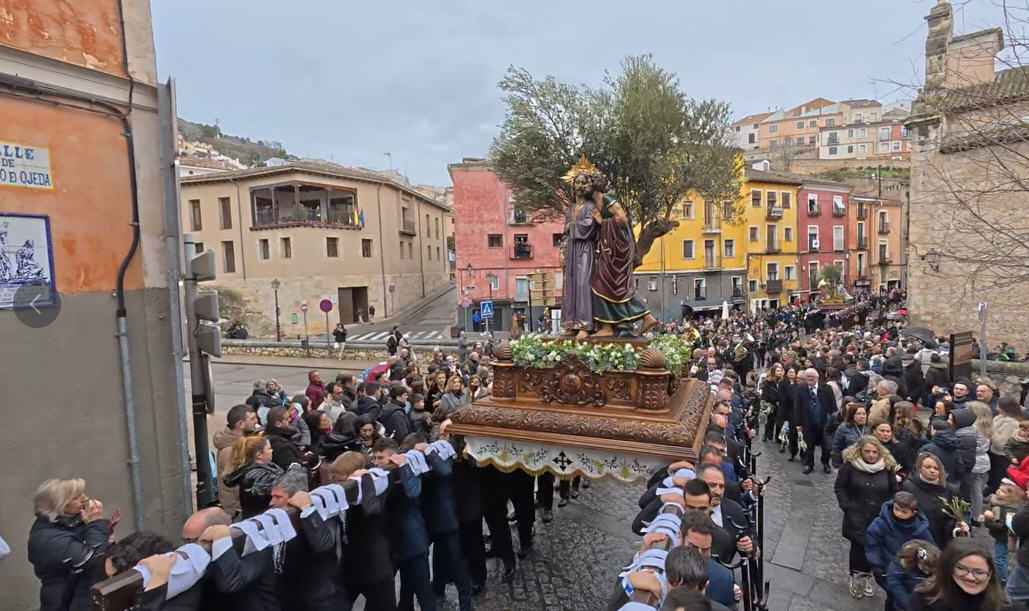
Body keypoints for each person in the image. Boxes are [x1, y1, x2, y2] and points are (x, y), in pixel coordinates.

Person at [267, 470, 350, 610]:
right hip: (294, 599)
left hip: (322, 599)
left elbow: (323, 543)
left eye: (278, 497)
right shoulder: (276, 520)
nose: (271, 503)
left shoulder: (320, 514)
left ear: (296, 497)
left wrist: (307, 508)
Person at [588, 174, 658, 337]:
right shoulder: (595, 203)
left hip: (619, 249)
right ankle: (643, 318)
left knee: (600, 284)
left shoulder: (608, 199)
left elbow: (622, 219)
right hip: (608, 249)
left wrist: (602, 222)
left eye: (587, 183)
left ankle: (608, 327)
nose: (585, 186)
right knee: (613, 287)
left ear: (595, 185)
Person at [27, 478, 110, 611]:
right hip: (66, 602)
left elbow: (100, 550)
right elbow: (93, 560)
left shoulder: (72, 521)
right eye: (76, 497)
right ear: (59, 504)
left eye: (83, 493)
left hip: (83, 596)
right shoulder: (48, 538)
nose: (85, 499)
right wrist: (96, 524)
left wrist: (106, 538)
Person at [372, 438, 435, 611]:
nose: (376, 463)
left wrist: (404, 466)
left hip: (413, 544)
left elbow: (414, 492)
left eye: (380, 458)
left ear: (393, 457)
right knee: (405, 592)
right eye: (374, 458)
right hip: (394, 545)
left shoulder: (408, 471)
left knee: (424, 593)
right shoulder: (380, 477)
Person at [835, 436, 899, 599]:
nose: (871, 455)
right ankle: (856, 577)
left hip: (879, 515)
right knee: (858, 548)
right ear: (860, 451)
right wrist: (846, 506)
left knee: (875, 547)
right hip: (857, 514)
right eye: (867, 451)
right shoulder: (850, 466)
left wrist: (890, 508)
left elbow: (894, 490)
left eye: (874, 452)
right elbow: (840, 487)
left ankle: (868, 576)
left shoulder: (887, 467)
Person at [331, 451, 396, 609]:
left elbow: (372, 511)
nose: (340, 487)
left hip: (376, 568)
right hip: (349, 568)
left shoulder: (375, 490)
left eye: (342, 482)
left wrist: (365, 479)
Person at [909, 538, 1024, 611]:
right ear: (948, 568)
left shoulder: (1007, 607)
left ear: (990, 575)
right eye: (962, 569)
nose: (970, 577)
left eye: (979, 572)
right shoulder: (924, 600)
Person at [866, 491, 936, 609]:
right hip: (887, 569)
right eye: (897, 509)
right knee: (891, 599)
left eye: (904, 512)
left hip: (910, 574)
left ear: (913, 512)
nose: (899, 513)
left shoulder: (920, 529)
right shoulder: (881, 523)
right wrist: (877, 566)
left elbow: (930, 549)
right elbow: (873, 545)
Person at [559, 167, 599, 338]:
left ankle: (585, 324)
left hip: (585, 248)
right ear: (573, 185)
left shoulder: (590, 206)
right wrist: (562, 251)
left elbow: (589, 226)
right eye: (578, 182)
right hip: (571, 249)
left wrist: (572, 226)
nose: (580, 186)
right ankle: (571, 323)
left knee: (583, 284)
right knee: (570, 285)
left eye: (584, 182)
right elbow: (564, 233)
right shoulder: (570, 209)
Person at [902, 452, 962, 547]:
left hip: (944, 540)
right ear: (919, 468)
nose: (932, 471)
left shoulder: (951, 490)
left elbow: (962, 514)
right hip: (916, 538)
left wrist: (960, 526)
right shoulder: (908, 487)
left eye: (936, 468)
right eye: (928, 467)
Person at [213, 404, 259, 518]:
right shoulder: (230, 451)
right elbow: (235, 484)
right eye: (252, 419)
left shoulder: (242, 441)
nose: (256, 421)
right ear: (240, 424)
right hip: (237, 510)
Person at [223, 435, 284, 518]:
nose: (272, 450)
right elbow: (284, 488)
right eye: (269, 448)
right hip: (261, 518)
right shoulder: (257, 474)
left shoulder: (268, 467)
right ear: (259, 455)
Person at [981, 480, 1027, 585]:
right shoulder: (997, 503)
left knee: (1000, 558)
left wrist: (988, 521)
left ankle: (1004, 579)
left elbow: (1002, 526)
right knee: (1002, 557)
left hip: (1004, 537)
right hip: (1001, 536)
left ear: (1010, 496)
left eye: (1003, 491)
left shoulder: (1009, 509)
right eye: (999, 489)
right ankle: (1006, 573)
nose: (998, 491)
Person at [795, 368, 836, 474]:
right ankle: (809, 464)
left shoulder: (826, 389)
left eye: (812, 376)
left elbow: (833, 406)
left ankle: (825, 463)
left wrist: (834, 420)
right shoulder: (801, 389)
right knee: (809, 445)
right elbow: (797, 407)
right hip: (808, 422)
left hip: (824, 422)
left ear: (817, 377)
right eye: (808, 376)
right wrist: (798, 422)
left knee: (826, 446)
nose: (810, 378)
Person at [887, 539, 940, 611]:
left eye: (931, 570)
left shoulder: (937, 559)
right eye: (924, 569)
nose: (927, 572)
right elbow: (895, 582)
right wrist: (910, 604)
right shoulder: (904, 562)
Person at [967, 401, 996, 518]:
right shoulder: (986, 428)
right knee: (977, 489)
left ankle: (976, 515)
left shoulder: (974, 429)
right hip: (983, 461)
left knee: (975, 491)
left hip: (975, 462)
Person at [264, 406, 309, 471]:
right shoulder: (280, 445)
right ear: (278, 424)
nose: (289, 420)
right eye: (286, 419)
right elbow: (292, 467)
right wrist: (305, 460)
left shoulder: (282, 435)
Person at [831, 402, 869, 468]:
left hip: (867, 462)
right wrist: (837, 464)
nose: (862, 416)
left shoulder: (870, 428)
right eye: (858, 414)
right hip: (850, 463)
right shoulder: (843, 428)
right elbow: (837, 447)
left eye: (864, 414)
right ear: (852, 415)